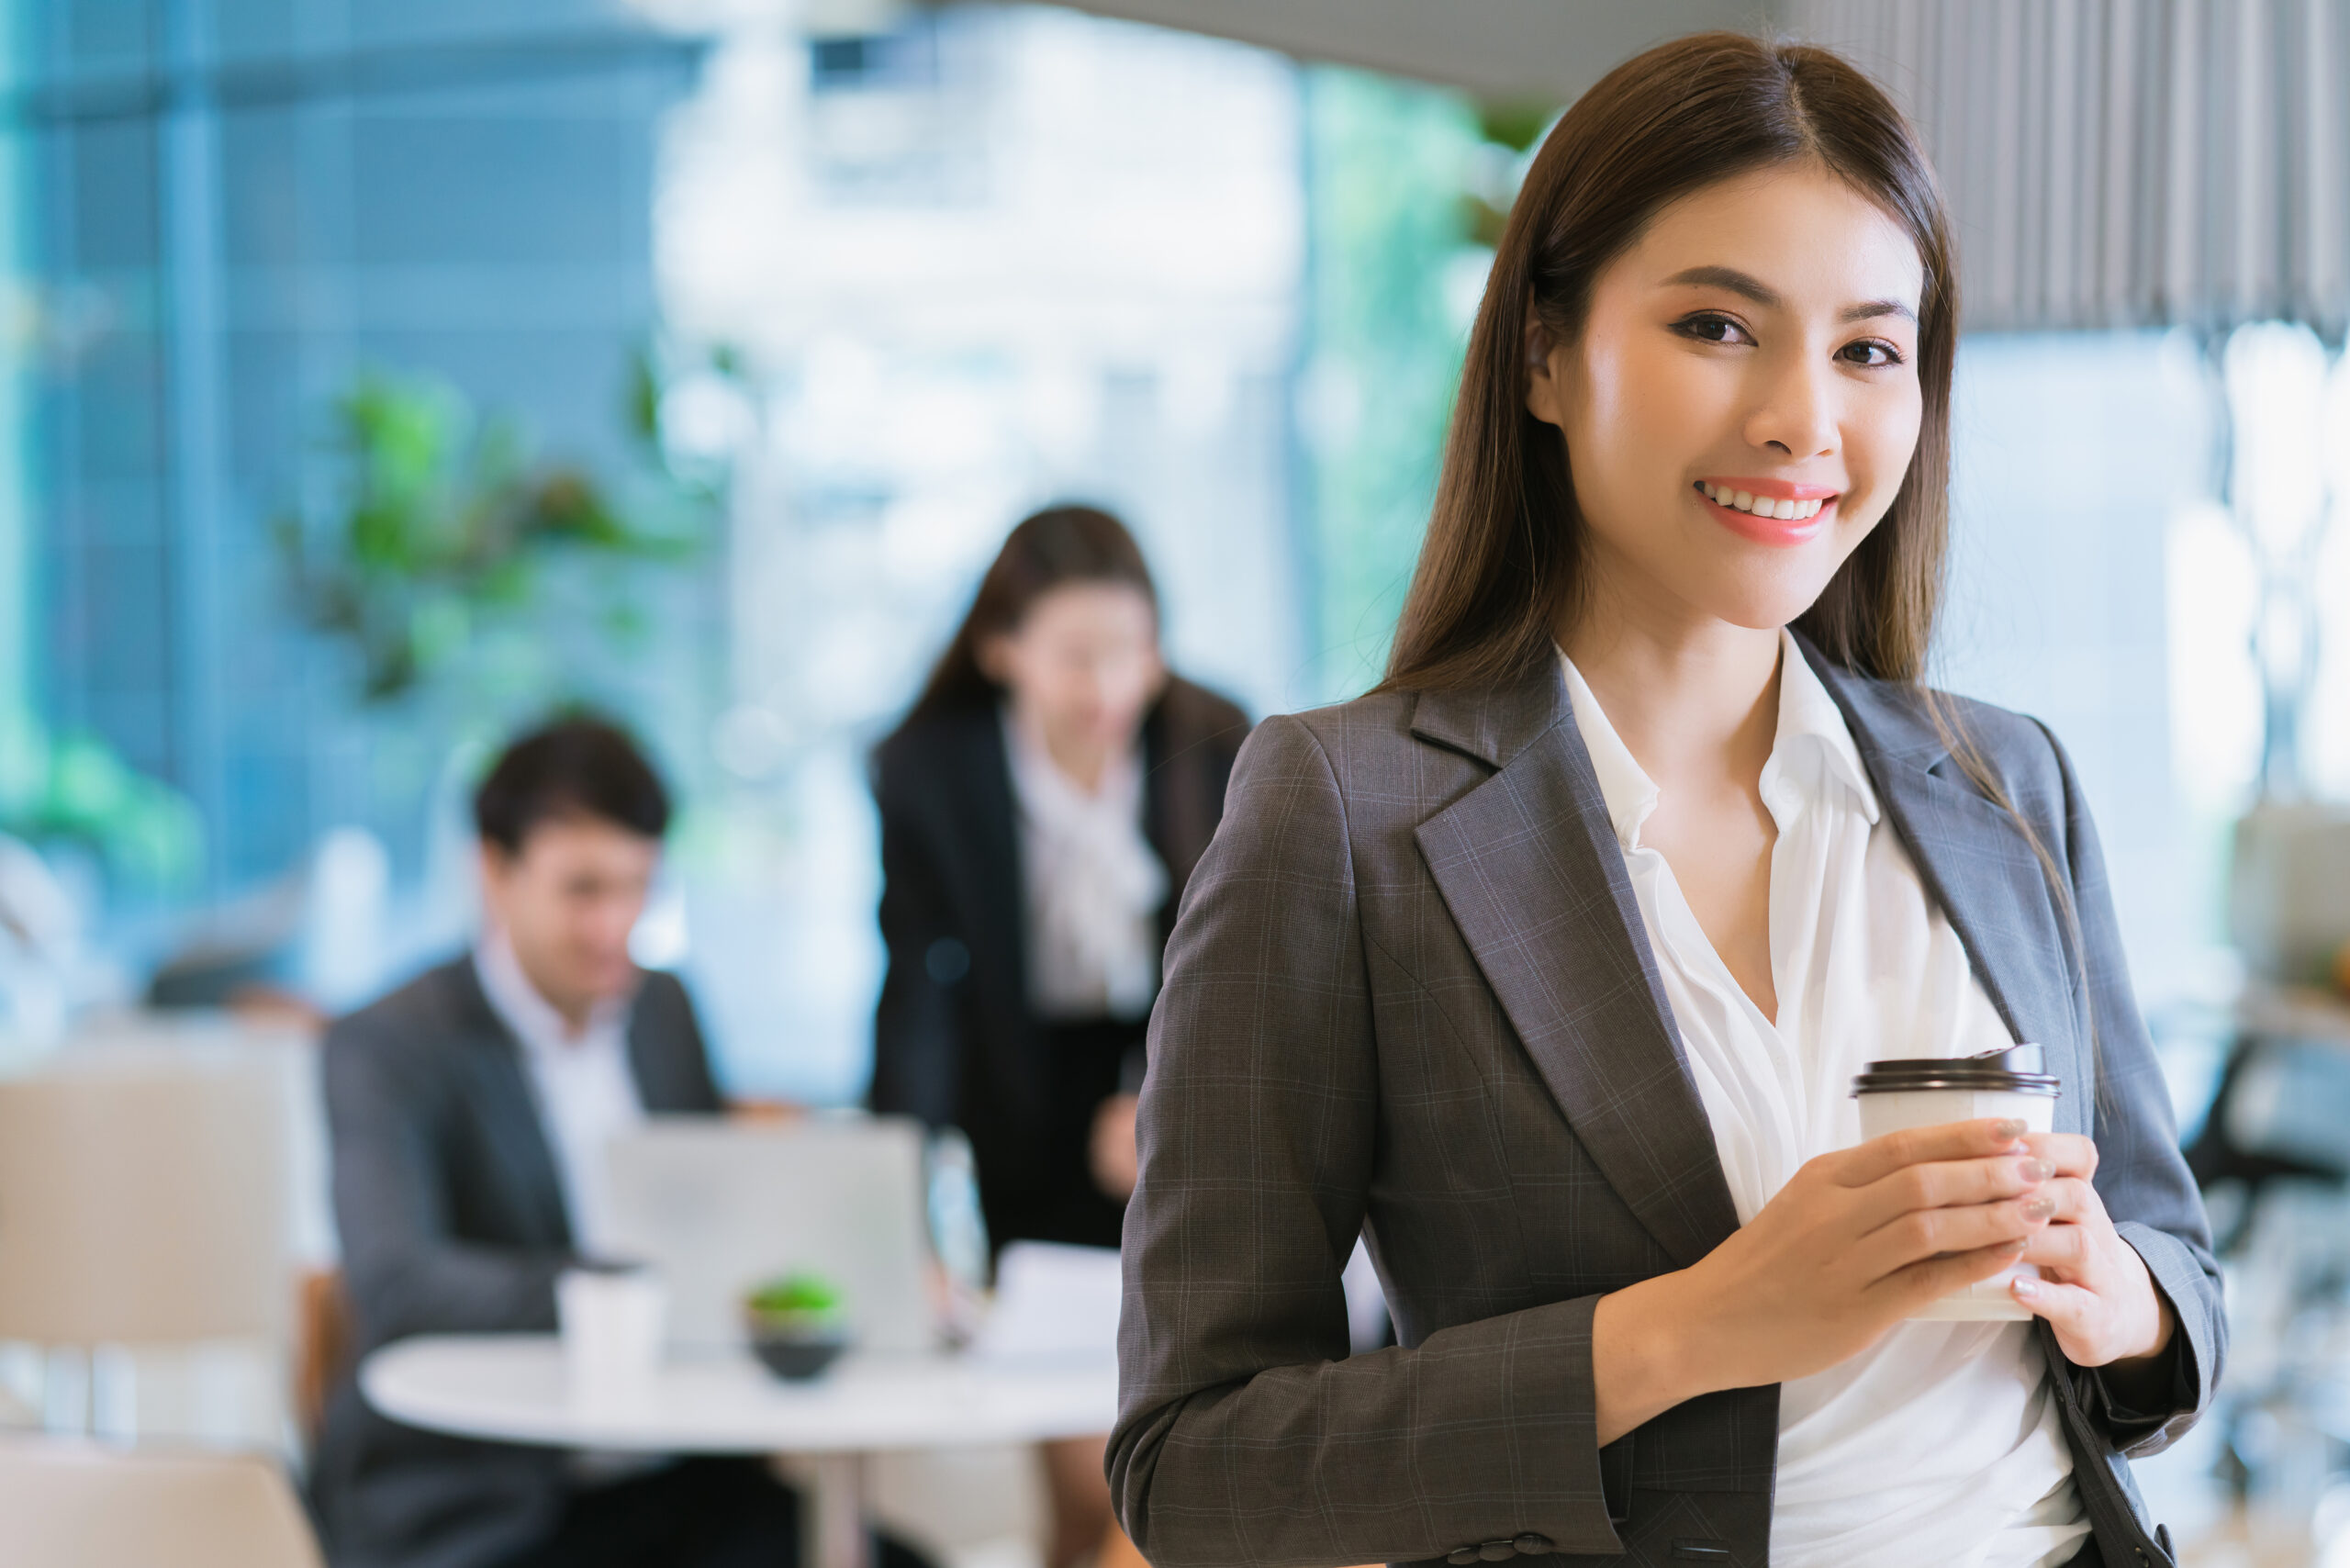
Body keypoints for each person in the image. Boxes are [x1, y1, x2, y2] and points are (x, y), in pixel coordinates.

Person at [1111, 33, 2221, 1568]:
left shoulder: (2003, 777)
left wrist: (2117, 1289)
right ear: (1545, 354)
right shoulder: (1345, 813)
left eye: (1870, 349)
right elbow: (1194, 1466)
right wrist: (1695, 1327)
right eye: (1718, 324)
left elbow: (2179, 1274)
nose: (1801, 419)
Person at [314, 718, 924, 1568]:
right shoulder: (388, 1045)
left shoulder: (663, 1011)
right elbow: (398, 1282)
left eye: (639, 887)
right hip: (484, 1503)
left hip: (669, 1481)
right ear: (492, 873)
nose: (616, 927)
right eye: (582, 890)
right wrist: (619, 1286)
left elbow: (721, 1222)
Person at [869, 505, 1249, 1568]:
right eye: (1075, 657)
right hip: (1028, 1113)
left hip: (1179, 1112)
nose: (1107, 691)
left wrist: (1176, 1117)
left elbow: (1252, 973)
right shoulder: (927, 770)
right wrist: (902, 1210)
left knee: (1179, 1478)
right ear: (1001, 650)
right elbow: (917, 1001)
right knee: (1084, 1485)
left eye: (1131, 652)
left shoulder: (1213, 735)